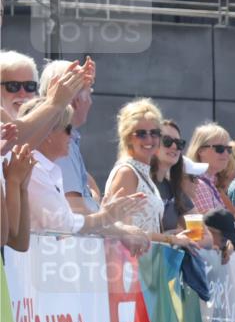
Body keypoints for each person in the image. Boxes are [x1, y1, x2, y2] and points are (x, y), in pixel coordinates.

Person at [17, 98, 145, 236]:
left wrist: (106, 216)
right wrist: (106, 217)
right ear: (48, 132)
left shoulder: (43, 169)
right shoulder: (34, 169)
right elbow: (63, 224)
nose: (72, 135)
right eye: (68, 128)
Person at [104, 99, 195, 251]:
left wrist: (168, 235)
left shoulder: (143, 175)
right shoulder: (127, 172)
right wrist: (172, 239)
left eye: (154, 133)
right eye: (141, 134)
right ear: (128, 137)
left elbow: (143, 229)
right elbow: (121, 230)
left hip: (149, 263)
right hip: (131, 265)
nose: (149, 139)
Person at [39, 59, 101, 214]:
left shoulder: (63, 139)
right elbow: (75, 210)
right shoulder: (59, 141)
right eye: (89, 93)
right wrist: (112, 222)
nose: (91, 102)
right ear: (75, 101)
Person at [187, 123, 234, 215]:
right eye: (219, 149)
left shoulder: (209, 183)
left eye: (228, 149)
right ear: (201, 151)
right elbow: (214, 227)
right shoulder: (198, 184)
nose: (226, 153)